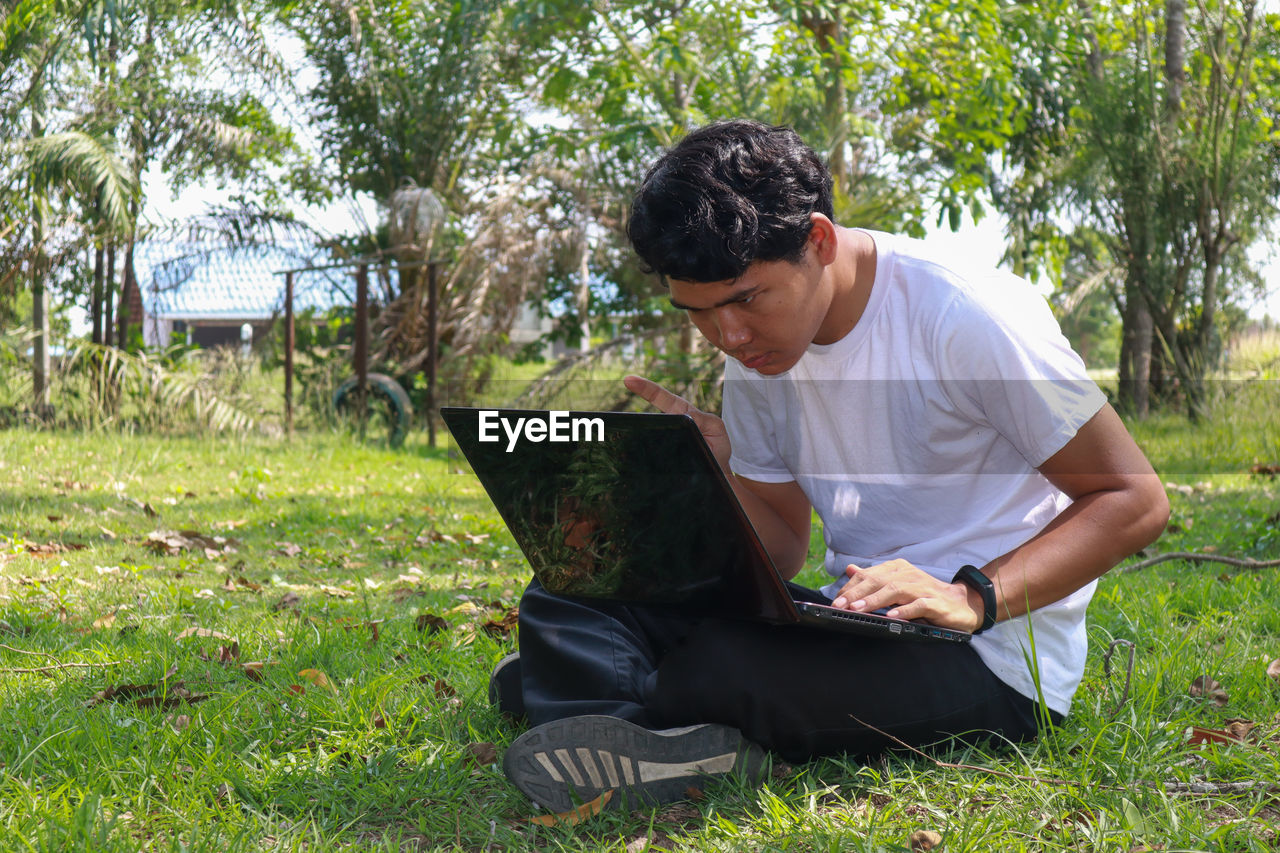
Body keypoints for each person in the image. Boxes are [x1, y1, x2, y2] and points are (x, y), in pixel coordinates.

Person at [491, 119, 1169, 813]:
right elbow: (781, 547)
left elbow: (1135, 498)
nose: (729, 336)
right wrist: (708, 475)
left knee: (719, 664)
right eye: (698, 314)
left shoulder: (963, 314)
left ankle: (600, 697)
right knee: (572, 583)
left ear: (817, 239)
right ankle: (624, 712)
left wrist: (970, 598)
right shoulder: (755, 356)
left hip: (990, 657)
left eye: (745, 299)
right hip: (856, 618)